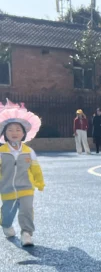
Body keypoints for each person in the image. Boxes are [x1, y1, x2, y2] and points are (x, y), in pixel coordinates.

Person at [0, 101, 44, 247]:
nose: (14, 133)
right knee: (7, 213)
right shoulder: (1, 153)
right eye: (10, 130)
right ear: (4, 133)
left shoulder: (28, 152)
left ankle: (26, 233)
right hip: (7, 189)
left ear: (24, 134)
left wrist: (39, 182)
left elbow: (35, 169)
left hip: (26, 188)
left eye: (18, 130)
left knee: (26, 211)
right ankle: (6, 225)